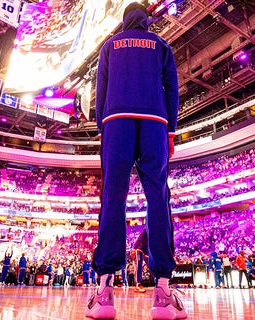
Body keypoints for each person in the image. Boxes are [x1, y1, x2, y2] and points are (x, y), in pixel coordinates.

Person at [86, 2, 184, 320]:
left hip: (117, 120)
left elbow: (99, 90)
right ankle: (163, 293)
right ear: (147, 21)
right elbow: (172, 88)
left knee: (113, 199)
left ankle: (104, 291)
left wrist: (104, 126)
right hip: (155, 122)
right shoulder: (161, 45)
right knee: (158, 199)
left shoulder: (110, 45)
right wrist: (171, 129)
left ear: (124, 21)